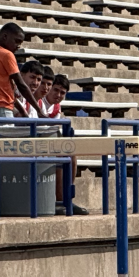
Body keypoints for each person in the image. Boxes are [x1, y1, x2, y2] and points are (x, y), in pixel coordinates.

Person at [43, 74, 89, 215]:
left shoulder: (57, 107)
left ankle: (66, 198)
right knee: (60, 156)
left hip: (50, 140)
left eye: (62, 93)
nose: (58, 95)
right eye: (55, 90)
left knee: (71, 156)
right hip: (39, 141)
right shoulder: (39, 102)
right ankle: (59, 200)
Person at [0, 22, 38, 119]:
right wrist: (39, 110)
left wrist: (22, 111)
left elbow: (6, 90)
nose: (18, 46)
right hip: (1, 108)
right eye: (16, 41)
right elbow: (21, 85)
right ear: (5, 36)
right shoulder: (7, 54)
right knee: (6, 134)